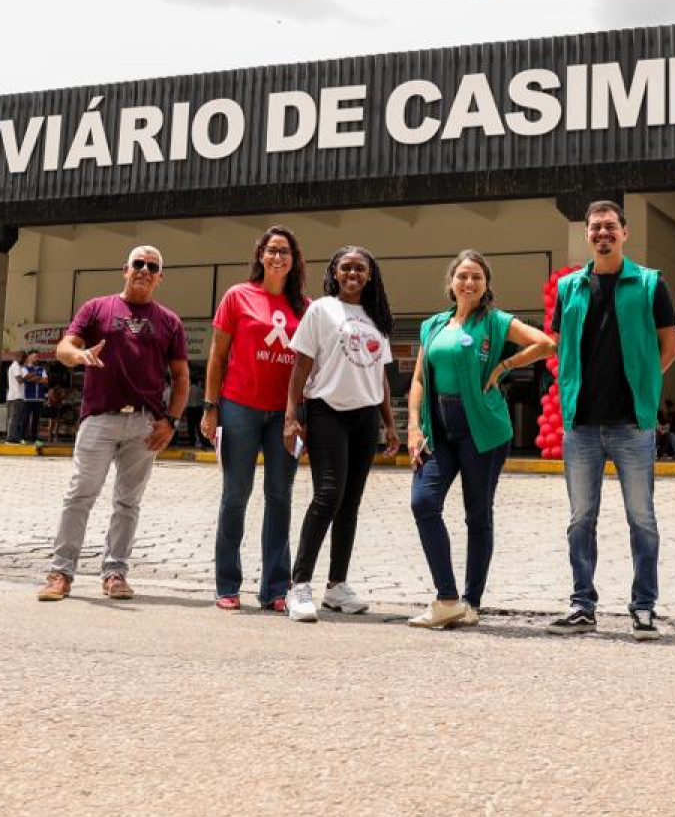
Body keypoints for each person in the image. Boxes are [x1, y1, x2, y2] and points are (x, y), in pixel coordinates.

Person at [547, 199, 675, 639]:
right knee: (580, 519)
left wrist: (644, 387)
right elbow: (560, 345)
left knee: (641, 518)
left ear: (624, 232)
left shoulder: (649, 284)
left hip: (631, 426)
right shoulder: (570, 288)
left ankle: (644, 607)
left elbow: (669, 347)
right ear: (586, 235)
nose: (603, 234)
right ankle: (582, 605)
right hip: (581, 426)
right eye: (595, 228)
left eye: (610, 227)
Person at [405, 250, 554, 629]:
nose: (469, 282)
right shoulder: (433, 326)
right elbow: (420, 379)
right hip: (440, 430)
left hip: (483, 430)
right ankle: (447, 598)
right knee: (424, 503)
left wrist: (505, 366)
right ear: (451, 282)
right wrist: (414, 428)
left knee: (477, 514)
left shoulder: (496, 321)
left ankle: (471, 602)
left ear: (486, 284)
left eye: (477, 277)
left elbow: (545, 343)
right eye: (463, 276)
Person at [36, 245, 189, 602]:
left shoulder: (169, 321)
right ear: (125, 269)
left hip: (145, 424)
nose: (145, 270)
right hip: (100, 419)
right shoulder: (96, 308)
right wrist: (80, 355)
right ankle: (61, 573)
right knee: (79, 495)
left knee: (128, 503)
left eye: (153, 266)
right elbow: (64, 348)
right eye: (139, 264)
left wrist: (171, 421)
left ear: (160, 277)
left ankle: (115, 573)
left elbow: (180, 377)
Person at [283, 246, 400, 622]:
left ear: (369, 275)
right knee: (328, 495)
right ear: (334, 272)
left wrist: (389, 422)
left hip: (365, 417)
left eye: (360, 269)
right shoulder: (321, 310)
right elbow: (301, 364)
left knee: (350, 503)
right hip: (327, 410)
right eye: (346, 267)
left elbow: (379, 374)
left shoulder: (376, 317)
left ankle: (337, 586)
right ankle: (298, 585)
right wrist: (291, 415)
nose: (353, 273)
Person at [203, 226, 308, 613]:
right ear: (261, 256)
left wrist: (302, 416)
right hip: (239, 407)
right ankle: (227, 584)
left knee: (279, 497)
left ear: (294, 261)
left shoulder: (304, 307)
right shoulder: (238, 296)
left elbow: (308, 365)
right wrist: (211, 406)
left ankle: (275, 588)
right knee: (236, 495)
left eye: (285, 252)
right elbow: (217, 354)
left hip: (285, 415)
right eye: (272, 250)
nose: (278, 257)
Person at [6, 351, 47, 443]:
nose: (25, 360)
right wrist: (30, 377)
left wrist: (31, 377)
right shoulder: (16, 366)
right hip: (15, 396)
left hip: (21, 397)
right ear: (19, 358)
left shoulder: (21, 367)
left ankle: (15, 437)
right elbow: (20, 380)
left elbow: (44, 380)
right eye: (24, 358)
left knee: (18, 419)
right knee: (15, 419)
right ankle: (11, 438)